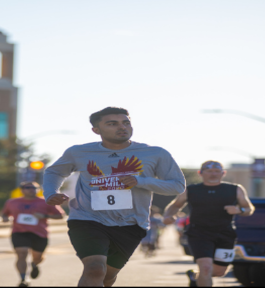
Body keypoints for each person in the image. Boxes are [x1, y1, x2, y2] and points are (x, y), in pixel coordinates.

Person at [43, 107, 186, 287]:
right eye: (112, 124)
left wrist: (140, 181)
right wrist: (50, 193)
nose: (122, 127)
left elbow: (177, 186)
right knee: (95, 268)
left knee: (107, 276)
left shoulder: (155, 153)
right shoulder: (78, 152)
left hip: (131, 224)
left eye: (126, 123)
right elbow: (54, 172)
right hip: (87, 219)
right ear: (96, 130)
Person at [162, 160, 255, 287]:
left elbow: (249, 209)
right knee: (206, 268)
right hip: (199, 233)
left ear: (223, 173)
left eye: (217, 171)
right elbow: (176, 205)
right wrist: (168, 215)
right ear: (200, 173)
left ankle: (195, 277)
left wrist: (240, 210)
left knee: (219, 271)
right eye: (209, 171)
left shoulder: (235, 189)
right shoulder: (191, 190)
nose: (213, 174)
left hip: (225, 234)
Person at [1, 181, 66, 287]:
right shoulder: (12, 202)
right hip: (19, 232)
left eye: (34, 188)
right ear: (22, 190)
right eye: (28, 187)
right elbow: (4, 213)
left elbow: (61, 215)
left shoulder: (46, 201)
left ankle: (34, 264)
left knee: (38, 257)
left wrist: (44, 215)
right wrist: (4, 218)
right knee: (21, 254)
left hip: (40, 233)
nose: (31, 189)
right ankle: (23, 279)